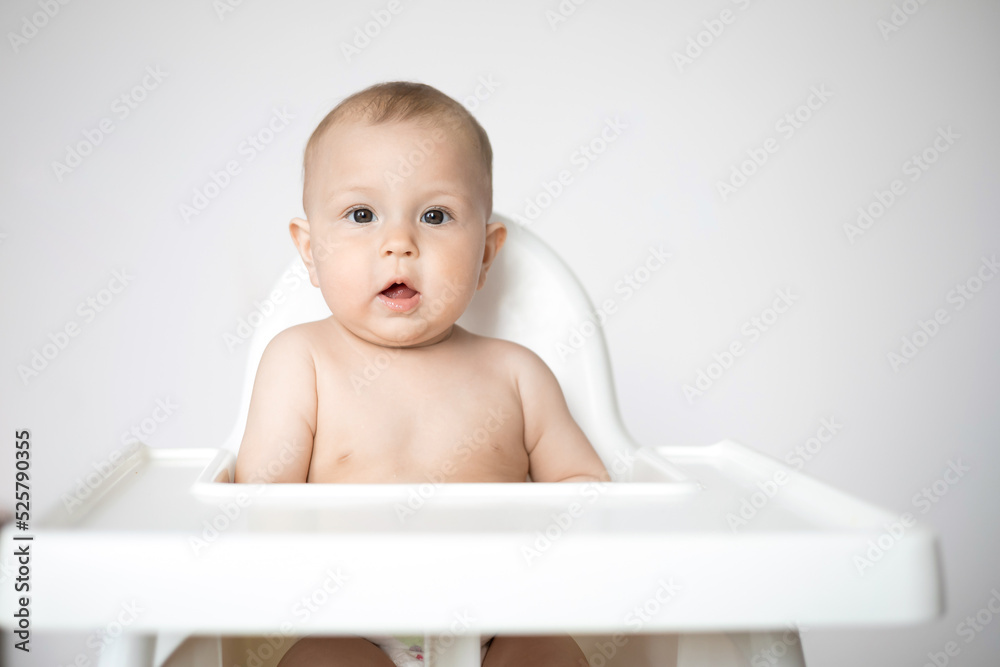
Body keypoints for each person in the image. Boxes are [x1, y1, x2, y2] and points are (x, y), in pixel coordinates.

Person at [235, 80, 610, 667]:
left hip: (500, 620)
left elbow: (589, 496)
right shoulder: (301, 362)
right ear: (310, 251)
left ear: (486, 254)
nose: (399, 244)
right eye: (362, 214)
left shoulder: (516, 375)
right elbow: (259, 510)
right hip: (347, 624)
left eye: (435, 215)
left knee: (550, 652)